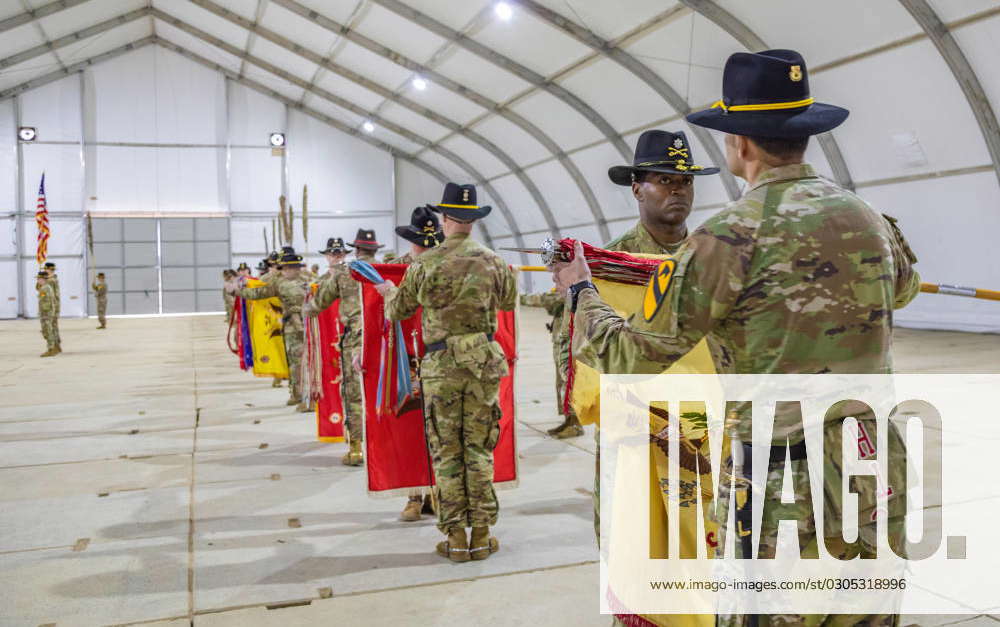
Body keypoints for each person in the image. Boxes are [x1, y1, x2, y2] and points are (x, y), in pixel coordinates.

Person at [553, 50, 920, 627]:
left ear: (739, 144)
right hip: (874, 463)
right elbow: (904, 289)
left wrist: (580, 293)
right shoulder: (868, 218)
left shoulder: (726, 238)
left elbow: (632, 355)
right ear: (805, 133)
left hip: (783, 477)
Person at [377, 183, 516, 562]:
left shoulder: (424, 263)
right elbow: (507, 302)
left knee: (447, 452)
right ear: (473, 220)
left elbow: (398, 311)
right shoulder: (494, 262)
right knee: (479, 447)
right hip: (483, 363)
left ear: (445, 218)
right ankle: (483, 537)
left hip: (441, 365)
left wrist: (389, 291)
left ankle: (455, 539)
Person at [304, 230, 384, 466]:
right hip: (385, 340)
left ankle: (357, 448)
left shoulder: (345, 272)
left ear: (356, 250)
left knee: (354, 394)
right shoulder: (388, 270)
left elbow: (319, 304)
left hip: (356, 342)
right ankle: (383, 445)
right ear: (375, 250)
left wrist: (307, 308)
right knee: (384, 392)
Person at [392, 205, 444, 522]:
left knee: (440, 428)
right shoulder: (395, 269)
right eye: (419, 243)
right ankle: (414, 495)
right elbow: (372, 312)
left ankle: (437, 494)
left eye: (429, 242)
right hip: (406, 362)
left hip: (440, 357)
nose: (423, 249)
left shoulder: (448, 264)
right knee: (410, 430)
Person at [239, 248, 313, 412]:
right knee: (296, 364)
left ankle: (310, 398)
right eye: (285, 268)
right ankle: (298, 395)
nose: (289, 270)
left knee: (311, 363)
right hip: (293, 328)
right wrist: (239, 290)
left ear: (298, 268)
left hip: (313, 326)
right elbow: (258, 293)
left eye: (292, 267)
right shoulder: (277, 283)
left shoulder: (310, 280)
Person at [519, 290, 581, 438]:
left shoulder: (573, 287)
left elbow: (549, 300)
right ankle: (569, 419)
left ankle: (575, 424)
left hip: (569, 342)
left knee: (568, 382)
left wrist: (518, 296)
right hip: (562, 341)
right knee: (561, 382)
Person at [37, 271, 59, 357]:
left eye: (39, 279)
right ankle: (53, 347)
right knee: (47, 331)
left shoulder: (45, 288)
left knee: (47, 331)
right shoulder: (46, 287)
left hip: (46, 312)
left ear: (43, 279)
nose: (38, 280)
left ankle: (51, 349)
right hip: (47, 312)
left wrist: (44, 313)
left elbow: (46, 301)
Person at [44, 261, 61, 352]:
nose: (46, 271)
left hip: (51, 306)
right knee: (54, 326)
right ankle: (57, 345)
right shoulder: (51, 279)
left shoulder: (51, 280)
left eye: (46, 269)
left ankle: (54, 346)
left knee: (51, 326)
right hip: (53, 305)